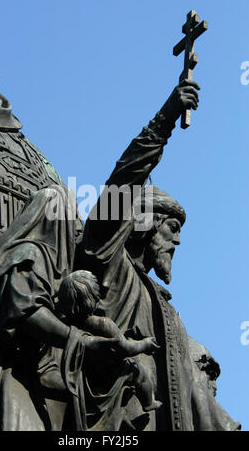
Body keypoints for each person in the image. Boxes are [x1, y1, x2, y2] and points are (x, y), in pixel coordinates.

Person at [77, 79, 240, 430]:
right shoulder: (109, 263)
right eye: (173, 228)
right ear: (147, 224)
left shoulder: (158, 300)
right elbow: (121, 184)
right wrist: (165, 119)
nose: (177, 243)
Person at [0, 185, 121, 431]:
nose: (76, 234)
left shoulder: (43, 266)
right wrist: (80, 340)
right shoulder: (28, 255)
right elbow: (27, 312)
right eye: (72, 223)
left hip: (18, 368)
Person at [51, 270, 162, 419]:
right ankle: (149, 402)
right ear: (95, 297)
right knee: (138, 372)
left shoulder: (65, 323)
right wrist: (145, 344)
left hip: (87, 374)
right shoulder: (104, 324)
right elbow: (126, 348)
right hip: (110, 374)